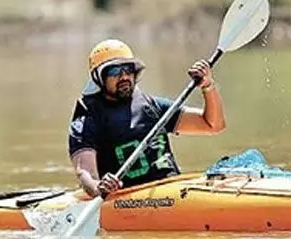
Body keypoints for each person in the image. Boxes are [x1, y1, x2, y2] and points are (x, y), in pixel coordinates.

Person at [68, 39, 226, 198]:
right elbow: (85, 173)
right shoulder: (88, 119)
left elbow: (213, 125)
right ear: (99, 78)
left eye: (128, 69)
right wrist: (99, 188)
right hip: (129, 200)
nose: (123, 76)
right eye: (114, 71)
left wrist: (208, 86)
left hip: (173, 191)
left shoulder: (153, 106)